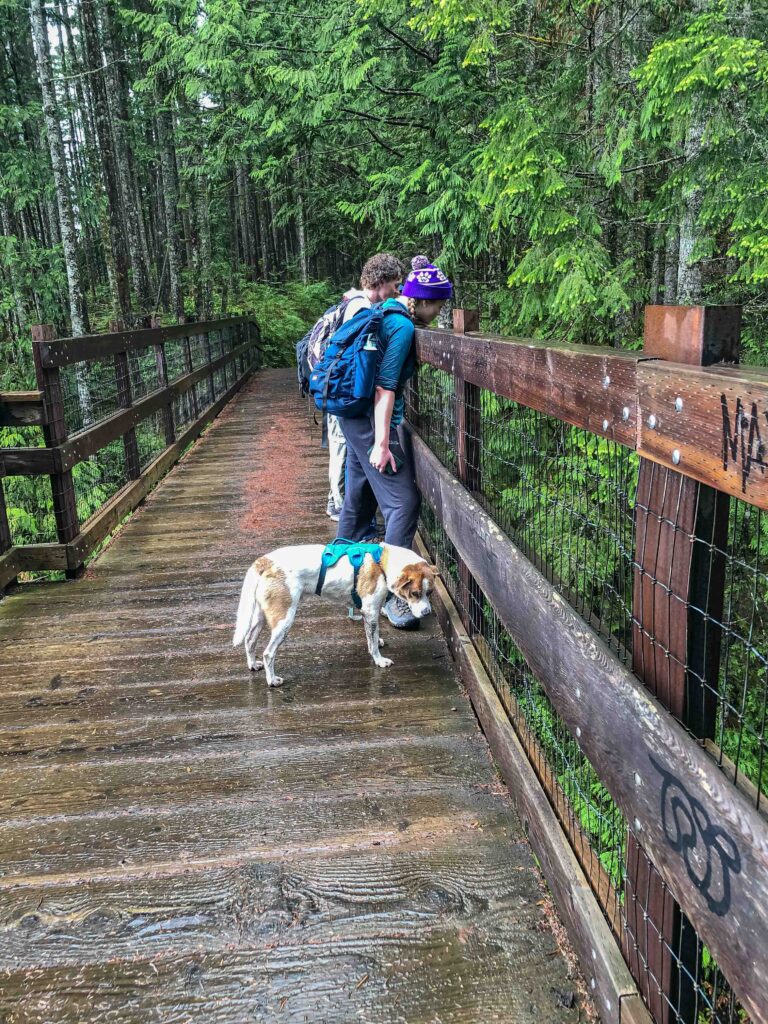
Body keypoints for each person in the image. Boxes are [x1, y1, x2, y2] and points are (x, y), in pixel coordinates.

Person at [336, 255, 453, 629]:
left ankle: (349, 588)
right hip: (367, 416)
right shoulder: (402, 327)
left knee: (359, 496)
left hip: (351, 412)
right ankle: (391, 597)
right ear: (424, 302)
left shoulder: (386, 308)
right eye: (438, 304)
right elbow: (386, 385)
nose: (439, 312)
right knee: (403, 501)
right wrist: (382, 443)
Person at [326, 253, 404, 522]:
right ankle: (338, 504)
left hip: (339, 391)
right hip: (346, 395)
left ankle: (351, 515)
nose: (397, 290)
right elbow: (361, 361)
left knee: (351, 454)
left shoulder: (355, 302)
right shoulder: (362, 310)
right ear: (381, 281)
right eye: (395, 283)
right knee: (345, 448)